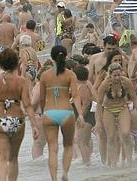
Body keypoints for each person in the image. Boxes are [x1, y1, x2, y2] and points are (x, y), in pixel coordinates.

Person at [0, 48, 38, 181]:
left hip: (0, 118)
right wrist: (34, 125)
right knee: (13, 158)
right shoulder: (21, 81)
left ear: (1, 64)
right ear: (16, 63)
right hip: (17, 119)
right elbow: (27, 104)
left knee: (2, 158)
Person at [39, 45, 84, 181]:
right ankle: (65, 173)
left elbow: (41, 98)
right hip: (66, 112)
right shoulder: (70, 74)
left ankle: (54, 179)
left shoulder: (45, 75)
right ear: (65, 57)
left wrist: (43, 113)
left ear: (51, 57)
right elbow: (75, 96)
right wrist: (80, 114)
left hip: (50, 112)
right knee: (68, 145)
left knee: (52, 149)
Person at [95, 61, 137, 168]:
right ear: (110, 75)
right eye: (114, 75)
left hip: (122, 108)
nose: (117, 77)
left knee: (125, 133)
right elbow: (98, 104)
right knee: (111, 137)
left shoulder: (126, 82)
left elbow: (134, 98)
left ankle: (129, 161)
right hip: (108, 109)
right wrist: (98, 122)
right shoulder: (105, 84)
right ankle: (112, 163)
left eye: (119, 75)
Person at [72, 65, 96, 166]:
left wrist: (80, 117)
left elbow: (86, 103)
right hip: (85, 116)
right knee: (82, 141)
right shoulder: (80, 86)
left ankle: (87, 164)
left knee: (82, 141)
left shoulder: (82, 87)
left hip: (86, 117)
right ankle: (87, 162)